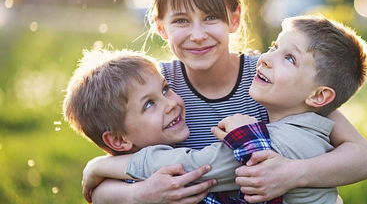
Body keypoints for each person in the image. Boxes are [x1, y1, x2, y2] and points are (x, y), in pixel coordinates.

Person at [90, 0, 367, 204]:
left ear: (234, 18)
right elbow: (100, 191)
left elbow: (366, 159)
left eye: (211, 18)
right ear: (161, 27)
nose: (198, 34)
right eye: (181, 21)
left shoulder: (270, 79)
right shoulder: (156, 88)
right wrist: (136, 196)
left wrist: (292, 173)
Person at [63, 49, 275, 203]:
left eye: (165, 89)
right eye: (149, 104)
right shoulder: (148, 182)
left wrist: (99, 167)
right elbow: (223, 163)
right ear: (118, 140)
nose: (171, 103)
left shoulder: (119, 176)